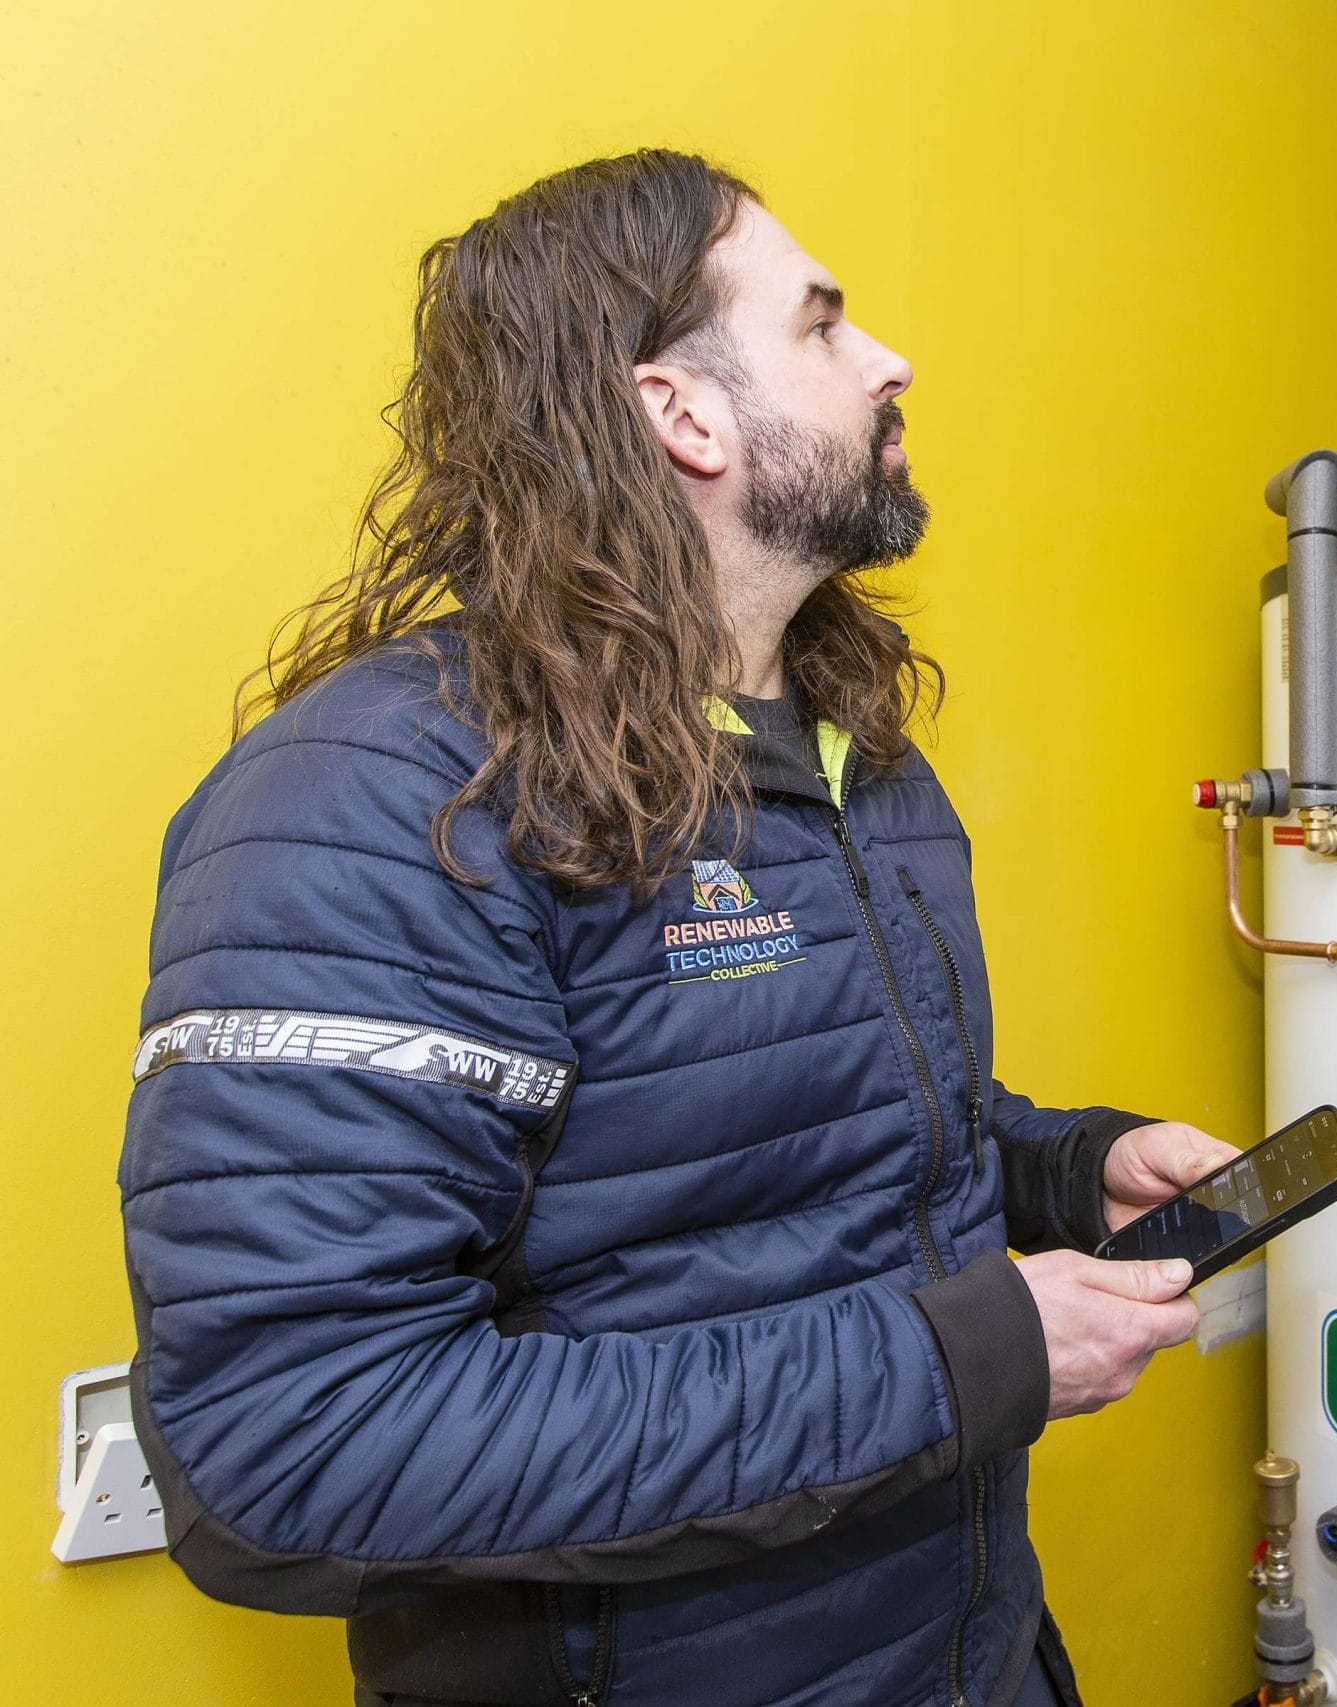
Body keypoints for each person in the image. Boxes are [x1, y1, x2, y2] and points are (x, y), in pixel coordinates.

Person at [118, 149, 1238, 1707]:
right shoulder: (383, 795)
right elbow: (295, 1440)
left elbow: (781, 1151)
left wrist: (1056, 1173)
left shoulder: (857, 754)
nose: (889, 359)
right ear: (683, 414)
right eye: (826, 326)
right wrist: (967, 1361)